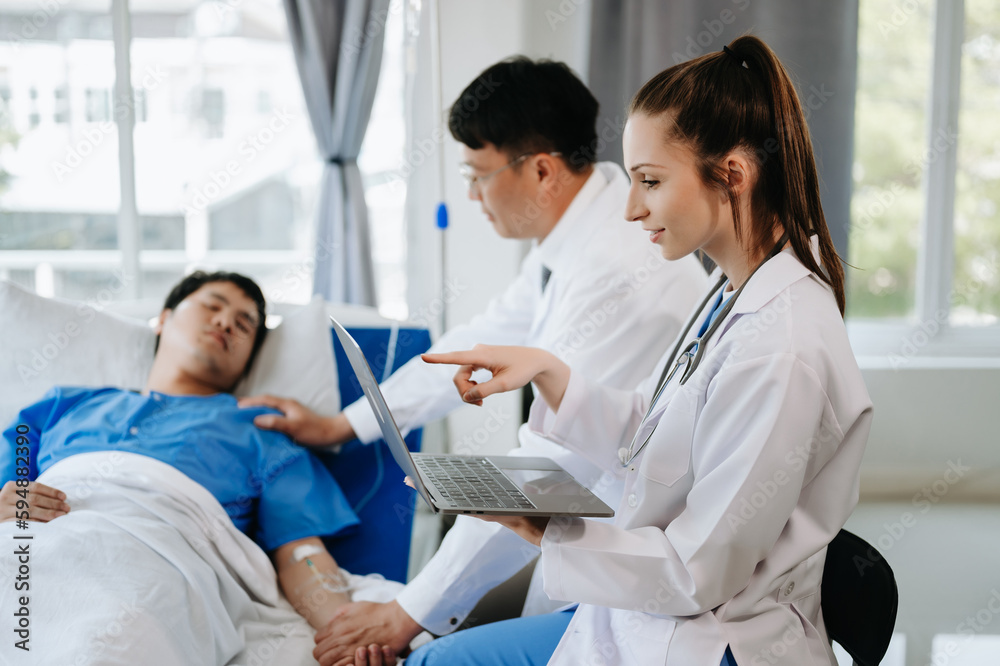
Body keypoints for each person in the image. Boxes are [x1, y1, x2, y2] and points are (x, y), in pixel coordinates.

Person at [405, 35, 874, 666]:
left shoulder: (779, 348)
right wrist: (552, 375)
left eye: (649, 182)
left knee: (437, 661)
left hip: (707, 642)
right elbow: (660, 443)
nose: (630, 210)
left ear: (732, 175)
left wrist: (548, 529)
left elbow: (696, 572)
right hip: (653, 618)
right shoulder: (731, 292)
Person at [240, 57, 708, 662]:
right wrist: (344, 425)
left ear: (541, 170)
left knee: (437, 651)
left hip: (646, 560)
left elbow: (547, 474)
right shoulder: (576, 234)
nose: (471, 194)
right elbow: (483, 337)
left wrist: (407, 614)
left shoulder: (616, 272)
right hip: (601, 533)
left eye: (477, 174)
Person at [0, 271, 394, 665]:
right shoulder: (60, 406)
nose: (226, 322)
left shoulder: (263, 432)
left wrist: (344, 633)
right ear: (164, 318)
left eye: (244, 325)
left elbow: (301, 554)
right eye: (213, 305)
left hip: (151, 568)